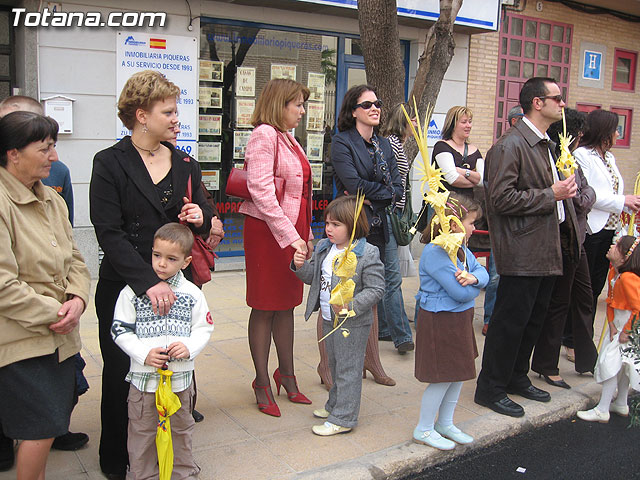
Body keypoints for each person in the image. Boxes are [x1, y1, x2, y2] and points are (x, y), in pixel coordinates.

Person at [90, 70, 213, 479]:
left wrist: (201, 217)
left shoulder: (184, 161)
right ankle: (117, 457)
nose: (177, 119)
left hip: (178, 286)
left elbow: (206, 215)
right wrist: (148, 282)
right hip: (125, 285)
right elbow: (108, 231)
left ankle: (173, 451)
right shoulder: (109, 162)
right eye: (169, 111)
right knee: (123, 371)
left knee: (173, 365)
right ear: (142, 115)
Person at [475, 77, 580, 418]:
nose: (562, 104)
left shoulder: (545, 144)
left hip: (546, 247)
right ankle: (490, 387)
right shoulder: (509, 146)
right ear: (537, 103)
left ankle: (516, 376)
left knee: (532, 320)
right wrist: (553, 194)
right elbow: (501, 199)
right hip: (522, 251)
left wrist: (562, 191)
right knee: (510, 321)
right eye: (557, 98)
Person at [0, 111, 90, 480]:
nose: (54, 157)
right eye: (45, 148)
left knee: (48, 424)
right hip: (23, 339)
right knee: (38, 430)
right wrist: (57, 311)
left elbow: (76, 261)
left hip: (59, 335)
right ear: (13, 154)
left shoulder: (52, 201)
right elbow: (3, 284)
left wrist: (78, 300)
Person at [111, 223, 213, 478]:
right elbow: (119, 330)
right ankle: (142, 474)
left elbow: (204, 327)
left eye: (171, 259)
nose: (161, 264)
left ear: (186, 261)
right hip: (144, 381)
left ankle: (183, 473)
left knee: (181, 430)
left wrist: (188, 347)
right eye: (157, 255)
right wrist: (143, 353)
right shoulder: (132, 292)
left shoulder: (192, 294)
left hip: (179, 381)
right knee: (142, 432)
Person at [238, 78, 314, 417]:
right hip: (267, 233)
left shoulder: (288, 138)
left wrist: (306, 232)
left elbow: (301, 193)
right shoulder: (264, 134)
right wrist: (291, 234)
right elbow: (261, 191)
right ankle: (261, 382)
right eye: (296, 103)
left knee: (287, 304)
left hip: (290, 230)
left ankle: (287, 374)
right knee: (265, 305)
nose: (301, 110)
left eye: (302, 104)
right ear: (278, 104)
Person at [292, 196, 385, 436]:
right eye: (327, 223)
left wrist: (351, 305)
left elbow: (377, 289)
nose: (328, 229)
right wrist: (300, 265)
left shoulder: (367, 253)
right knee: (333, 365)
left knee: (348, 369)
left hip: (351, 322)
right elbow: (312, 277)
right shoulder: (325, 248)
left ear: (353, 226)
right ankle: (335, 405)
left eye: (336, 225)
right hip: (327, 317)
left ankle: (344, 417)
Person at [331, 85, 410, 355]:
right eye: (367, 105)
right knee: (355, 284)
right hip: (356, 223)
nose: (375, 108)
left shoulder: (384, 143)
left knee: (390, 280)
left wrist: (373, 195)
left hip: (383, 222)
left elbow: (398, 185)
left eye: (377, 103)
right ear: (353, 111)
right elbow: (353, 184)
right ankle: (352, 345)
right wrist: (376, 193)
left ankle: (399, 337)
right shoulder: (343, 142)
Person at [413, 195, 488, 450]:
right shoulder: (436, 252)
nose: (473, 228)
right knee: (443, 376)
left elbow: (484, 273)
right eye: (469, 222)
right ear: (453, 223)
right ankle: (424, 428)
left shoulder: (462, 249)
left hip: (458, 318)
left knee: (458, 374)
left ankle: (445, 422)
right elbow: (459, 293)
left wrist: (474, 279)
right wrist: (474, 288)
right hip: (440, 320)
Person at [532, 108, 597, 387]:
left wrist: (587, 192)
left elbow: (585, 193)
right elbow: (580, 200)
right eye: (577, 132)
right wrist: (588, 192)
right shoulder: (557, 161)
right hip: (564, 239)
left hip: (578, 238)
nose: (580, 137)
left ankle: (587, 358)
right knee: (559, 303)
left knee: (585, 297)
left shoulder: (570, 160)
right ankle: (547, 364)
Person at [572, 110, 640, 339]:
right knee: (583, 288)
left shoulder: (609, 158)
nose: (619, 133)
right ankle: (573, 337)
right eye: (615, 129)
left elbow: (612, 191)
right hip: (591, 229)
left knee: (597, 286)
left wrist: (626, 202)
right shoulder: (582, 155)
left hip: (609, 229)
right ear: (604, 132)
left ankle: (582, 337)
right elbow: (589, 194)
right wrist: (622, 201)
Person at [577, 235, 640, 423]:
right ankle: (620, 403)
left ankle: (603, 409)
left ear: (625, 257)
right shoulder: (614, 273)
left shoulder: (628, 279)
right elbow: (611, 302)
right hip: (619, 327)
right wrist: (611, 324)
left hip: (627, 328)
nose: (612, 246)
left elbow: (637, 308)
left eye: (617, 246)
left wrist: (627, 331)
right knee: (621, 365)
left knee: (610, 365)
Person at [481, 105, 524, 336]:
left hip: (522, 227)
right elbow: (492, 190)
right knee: (496, 275)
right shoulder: (502, 150)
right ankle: (490, 318)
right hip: (502, 225)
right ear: (515, 121)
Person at [381, 103, 416, 278]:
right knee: (391, 272)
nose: (416, 123)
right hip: (391, 211)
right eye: (413, 119)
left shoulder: (397, 144)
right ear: (404, 121)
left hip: (396, 209)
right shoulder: (392, 144)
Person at [431, 106, 483, 199]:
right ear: (452, 124)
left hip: (469, 206)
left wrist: (463, 171)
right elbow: (452, 178)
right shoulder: (442, 147)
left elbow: (482, 180)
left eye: (470, 122)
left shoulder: (475, 150)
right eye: (464, 122)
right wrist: (474, 180)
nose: (468, 125)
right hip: (445, 206)